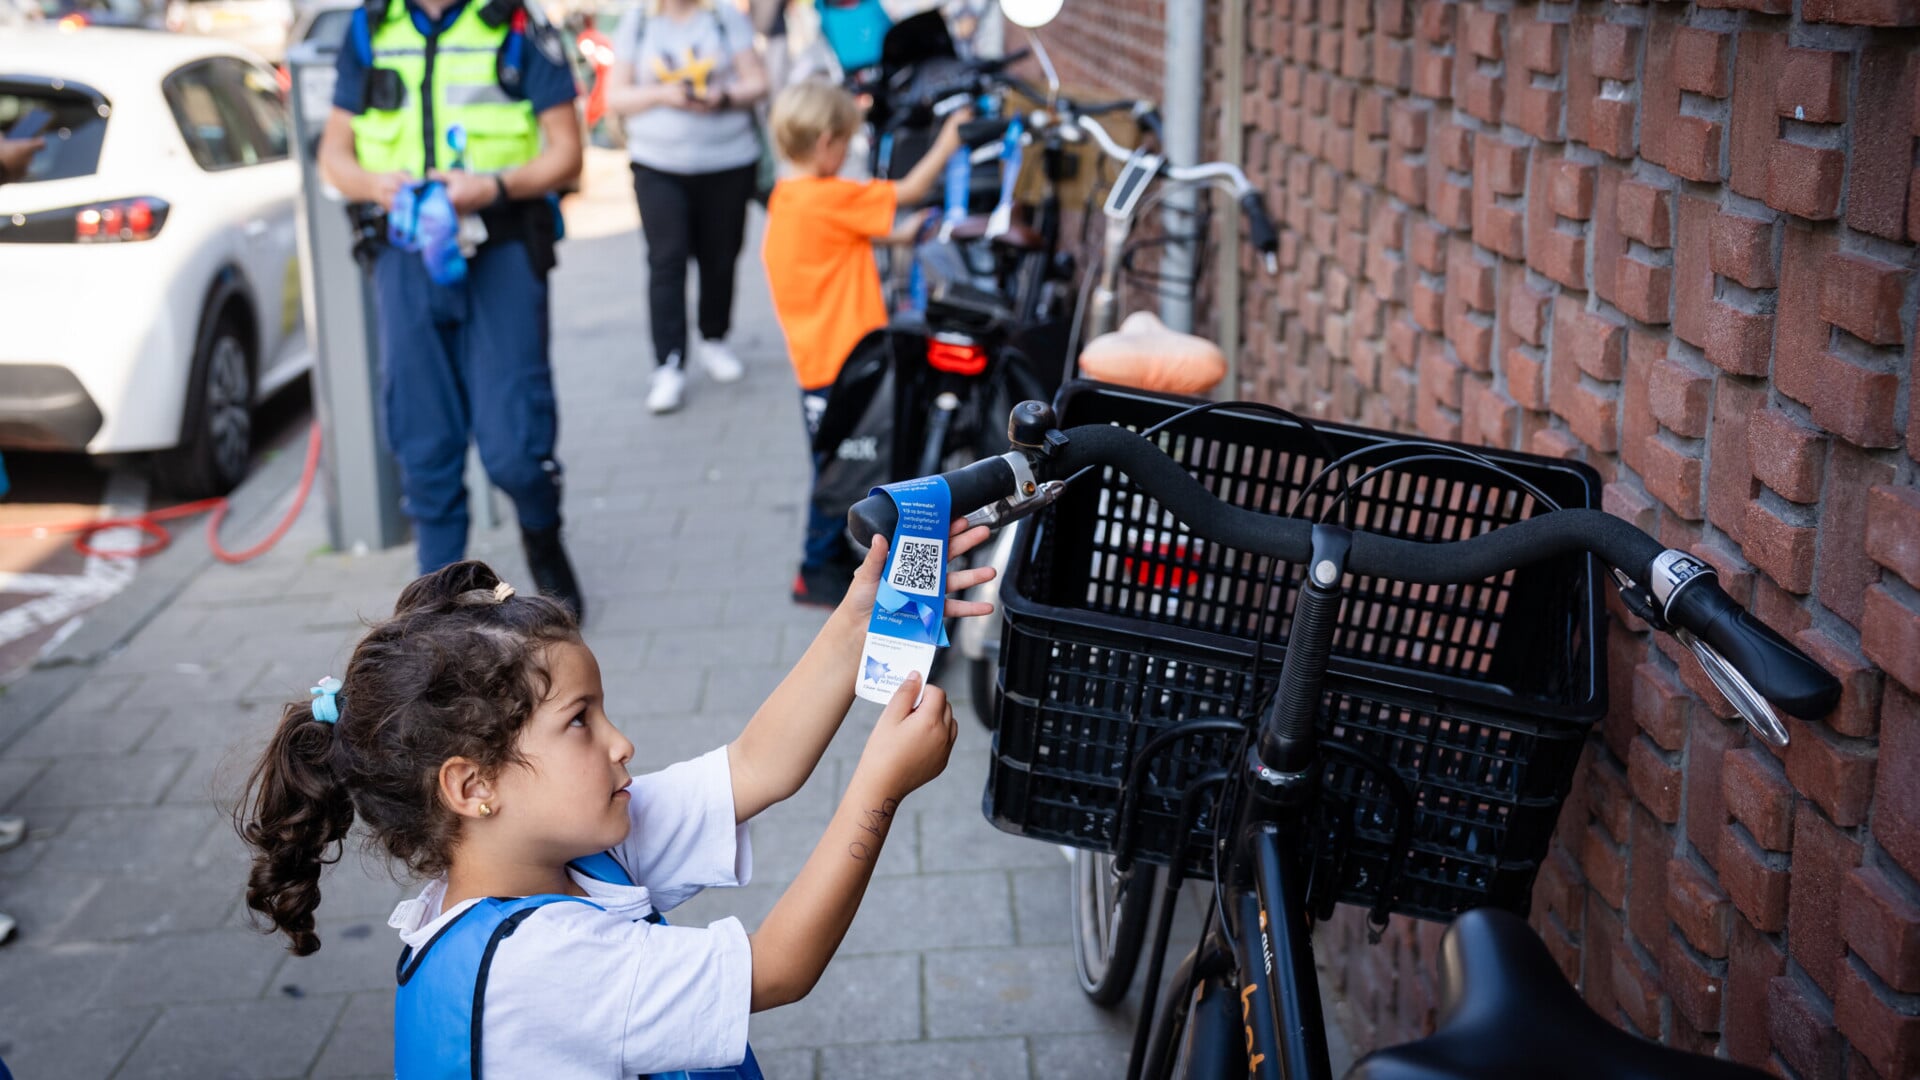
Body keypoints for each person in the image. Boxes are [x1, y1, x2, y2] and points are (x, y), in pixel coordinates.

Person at [235, 532, 994, 1076]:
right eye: (579, 722)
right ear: (475, 787)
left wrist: (857, 621)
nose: (621, 742)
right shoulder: (539, 968)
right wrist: (879, 790)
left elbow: (755, 766)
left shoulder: (557, 853)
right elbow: (779, 968)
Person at [317, 0, 585, 616]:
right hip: (406, 255)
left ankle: (543, 537)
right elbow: (333, 152)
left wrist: (491, 188)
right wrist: (374, 184)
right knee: (422, 439)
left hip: (502, 250)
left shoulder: (518, 24)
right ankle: (435, 605)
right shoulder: (371, 26)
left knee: (515, 447)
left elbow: (567, 153)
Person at [760, 78, 968, 606]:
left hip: (816, 364)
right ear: (827, 142)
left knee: (832, 464)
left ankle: (826, 559)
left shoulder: (791, 198)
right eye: (846, 143)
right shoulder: (828, 196)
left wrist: (902, 233)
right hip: (847, 365)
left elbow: (845, 236)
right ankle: (816, 569)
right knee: (847, 469)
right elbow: (911, 190)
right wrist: (949, 141)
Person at [605, 0, 770, 415]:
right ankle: (668, 363)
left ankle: (714, 338)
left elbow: (758, 82)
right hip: (658, 163)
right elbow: (616, 95)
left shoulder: (723, 17)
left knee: (721, 256)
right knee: (666, 259)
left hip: (728, 160)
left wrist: (723, 96)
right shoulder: (638, 21)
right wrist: (662, 94)